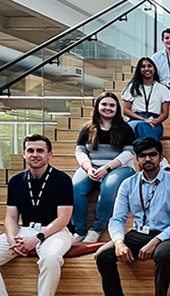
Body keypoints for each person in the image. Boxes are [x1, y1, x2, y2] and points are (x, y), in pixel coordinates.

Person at [96, 137, 170, 296]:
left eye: (152, 155)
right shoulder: (128, 184)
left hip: (167, 235)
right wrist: (119, 242)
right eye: (142, 155)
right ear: (137, 159)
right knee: (102, 255)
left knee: (162, 255)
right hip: (137, 233)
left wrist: (155, 242)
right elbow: (117, 219)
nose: (147, 159)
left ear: (161, 158)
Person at [0, 134, 73, 296]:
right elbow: (10, 217)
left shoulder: (62, 180)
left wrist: (37, 238)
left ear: (49, 155)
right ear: (24, 154)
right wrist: (12, 239)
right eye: (30, 150)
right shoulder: (15, 181)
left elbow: (63, 218)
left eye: (40, 150)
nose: (35, 154)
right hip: (24, 230)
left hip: (56, 231)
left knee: (51, 259)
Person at [72, 92, 137, 242]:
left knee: (108, 189)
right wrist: (89, 168)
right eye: (104, 104)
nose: (108, 108)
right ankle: (80, 230)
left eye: (112, 105)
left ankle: (96, 229)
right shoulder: (87, 128)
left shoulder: (125, 128)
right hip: (91, 165)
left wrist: (106, 169)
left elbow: (128, 153)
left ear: (117, 108)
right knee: (75, 188)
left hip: (119, 168)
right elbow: (80, 151)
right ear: (97, 107)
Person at [121, 57, 170, 142]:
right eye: (143, 66)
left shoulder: (162, 89)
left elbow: (165, 113)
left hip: (155, 122)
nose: (147, 69)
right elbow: (126, 110)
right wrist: (143, 120)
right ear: (139, 70)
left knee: (145, 131)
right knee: (141, 126)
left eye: (149, 66)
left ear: (154, 69)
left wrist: (154, 122)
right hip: (135, 120)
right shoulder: (132, 87)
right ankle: (156, 152)